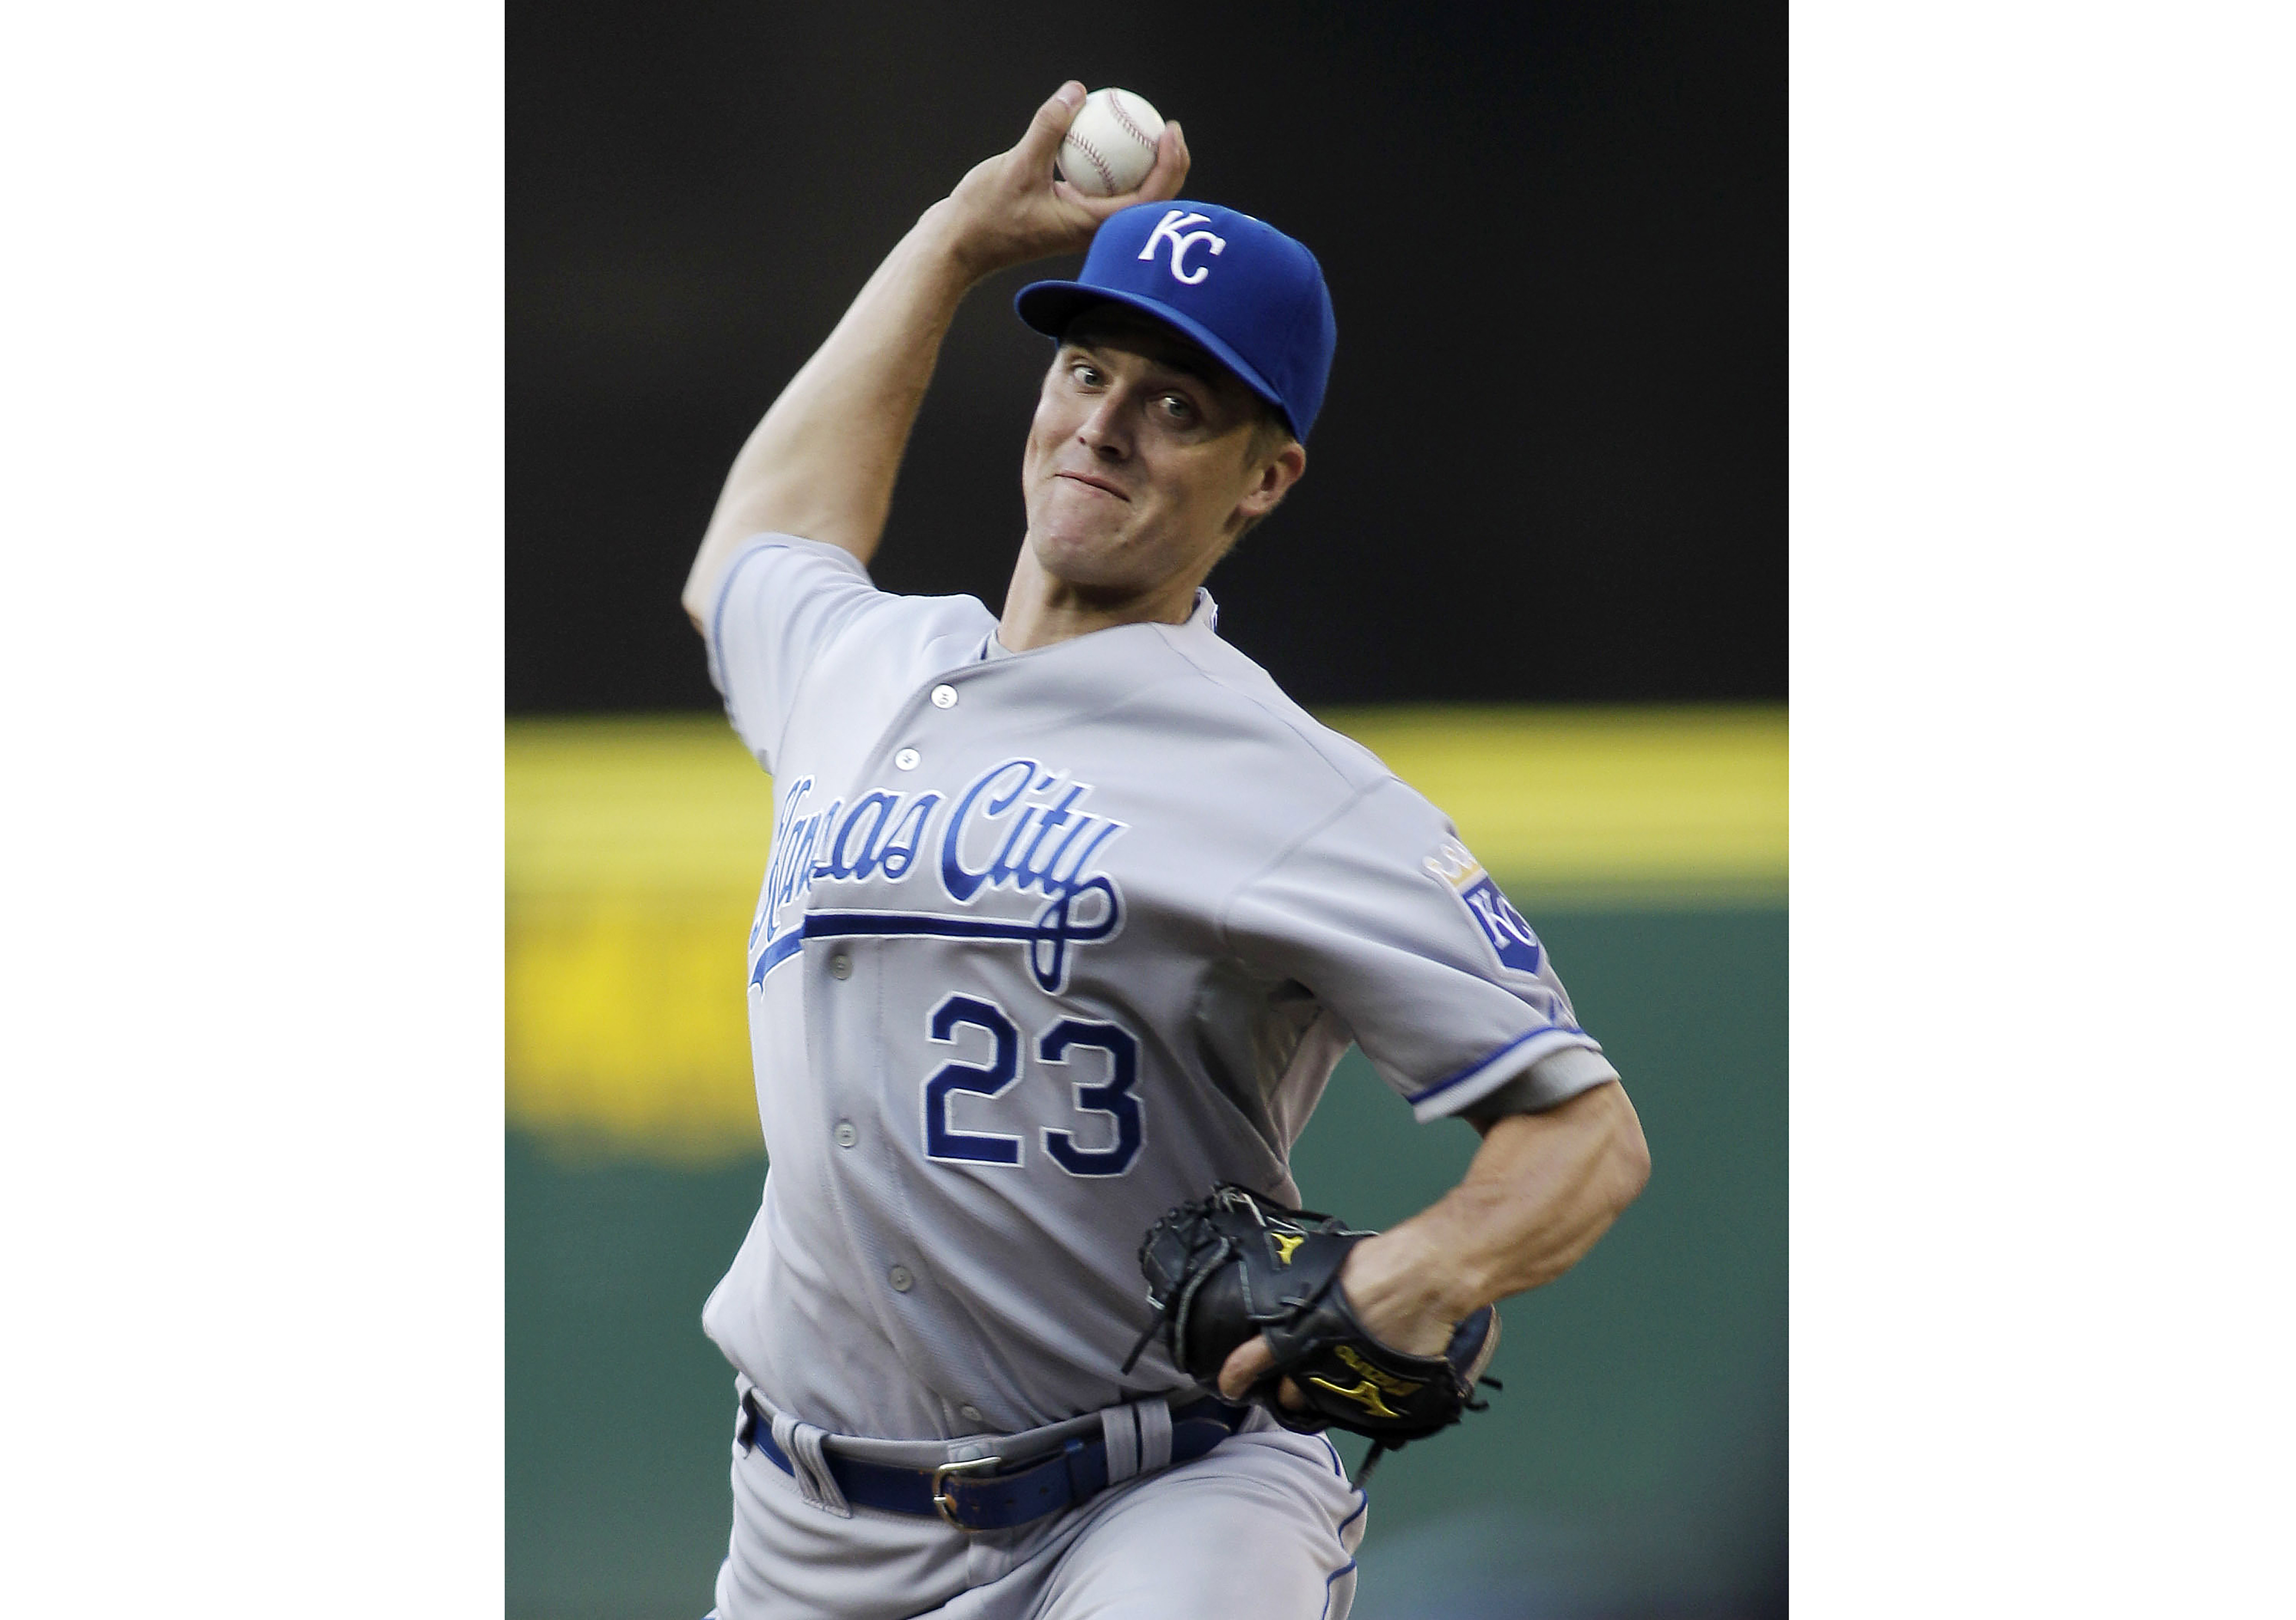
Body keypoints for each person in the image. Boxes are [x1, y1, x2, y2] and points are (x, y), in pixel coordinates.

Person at [679, 82, 1650, 1620]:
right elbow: (757, 546)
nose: (1106, 427)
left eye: (1179, 405)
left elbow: (1588, 1137)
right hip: (809, 1523)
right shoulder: (858, 666)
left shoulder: (1289, 783)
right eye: (1085, 370)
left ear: (1265, 477)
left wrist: (1412, 1274)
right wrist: (950, 245)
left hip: (1156, 1502)